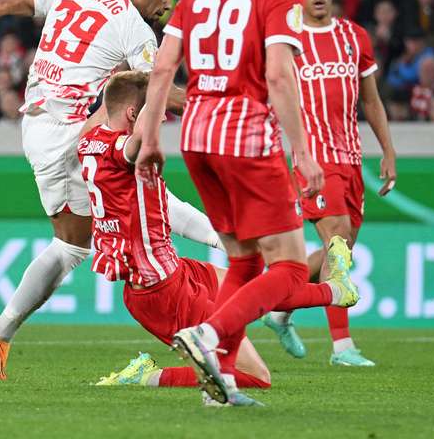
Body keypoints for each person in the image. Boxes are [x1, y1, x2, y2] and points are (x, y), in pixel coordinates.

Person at [0, 0, 215, 380]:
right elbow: (158, 89)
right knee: (94, 231)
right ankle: (232, 244)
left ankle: (2, 330)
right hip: (66, 134)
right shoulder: (134, 27)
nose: (168, 5)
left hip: (44, 126)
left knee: (94, 229)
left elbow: (6, 2)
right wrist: (218, 104)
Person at [135, 0, 357, 407]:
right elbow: (278, 75)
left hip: (196, 134)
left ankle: (222, 383)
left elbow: (165, 67)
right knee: (288, 267)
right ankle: (209, 335)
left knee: (243, 261)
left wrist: (149, 136)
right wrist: (303, 153)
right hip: (246, 136)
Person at [84, 71, 354, 391]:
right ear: (133, 113)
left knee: (253, 287)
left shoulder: (89, 140)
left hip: (176, 270)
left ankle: (337, 290)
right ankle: (146, 375)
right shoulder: (123, 150)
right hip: (159, 292)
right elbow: (139, 138)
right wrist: (160, 79)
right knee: (256, 377)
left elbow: (115, 108)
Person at [258, 0, 396, 367]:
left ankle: (278, 304)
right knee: (337, 241)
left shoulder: (356, 38)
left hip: (352, 159)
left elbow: (370, 102)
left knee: (341, 250)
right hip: (312, 160)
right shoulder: (286, 39)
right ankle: (342, 348)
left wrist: (388, 151)